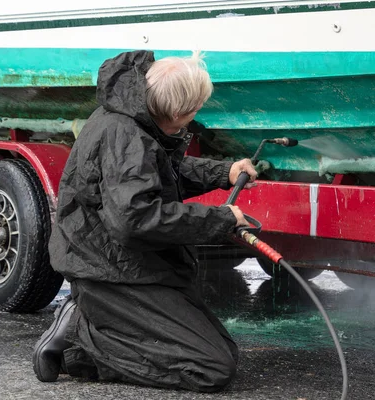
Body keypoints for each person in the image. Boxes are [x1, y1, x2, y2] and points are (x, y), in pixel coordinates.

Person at [32, 50, 257, 392]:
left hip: (127, 261)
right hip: (108, 268)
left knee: (221, 352)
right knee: (212, 367)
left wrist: (223, 172)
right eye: (196, 109)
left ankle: (84, 342)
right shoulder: (127, 137)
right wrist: (220, 219)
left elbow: (159, 172)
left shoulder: (133, 115)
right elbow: (136, 218)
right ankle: (80, 329)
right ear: (180, 112)